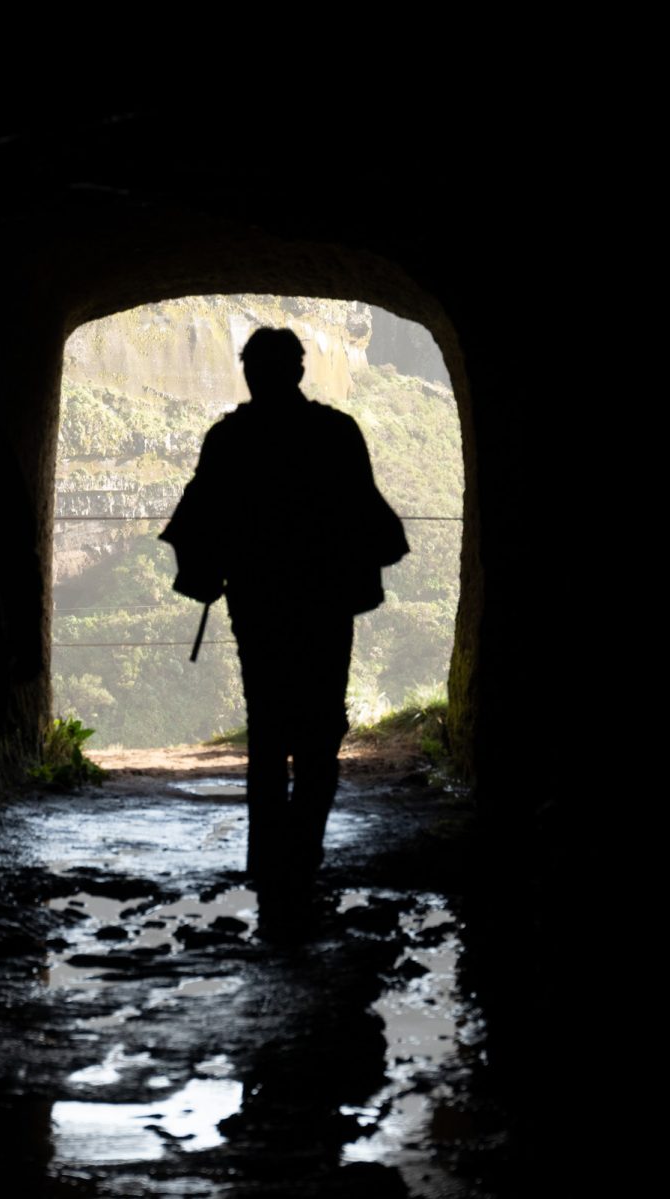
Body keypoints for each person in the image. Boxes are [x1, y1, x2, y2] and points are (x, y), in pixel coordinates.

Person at [160, 327, 408, 934]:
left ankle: (269, 862)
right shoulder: (334, 433)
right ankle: (304, 857)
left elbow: (199, 521)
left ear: (251, 373)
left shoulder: (230, 438)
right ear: (300, 371)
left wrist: (208, 573)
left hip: (259, 605)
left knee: (269, 731)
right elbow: (371, 522)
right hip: (324, 607)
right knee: (321, 730)